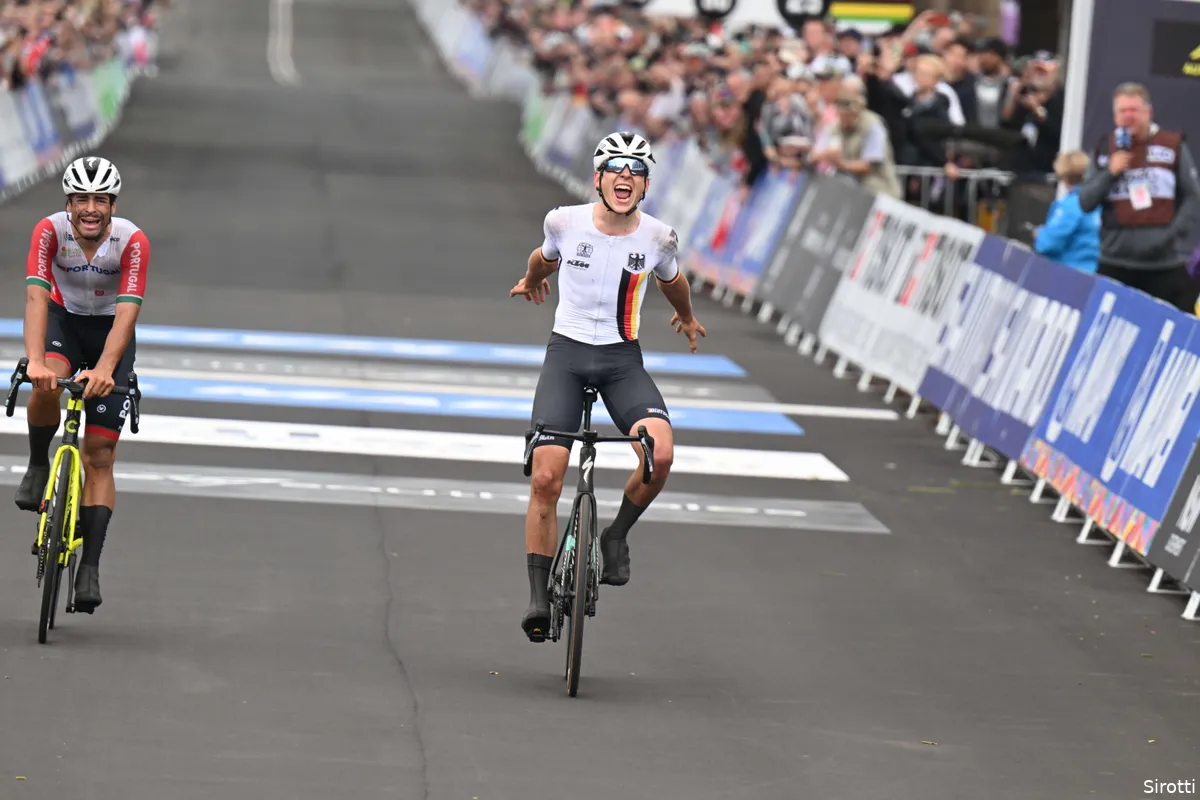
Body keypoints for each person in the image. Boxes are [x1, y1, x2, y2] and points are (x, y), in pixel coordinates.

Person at [508, 131, 706, 643]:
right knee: (547, 479)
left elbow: (673, 280)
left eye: (637, 170)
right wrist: (531, 281)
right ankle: (536, 596)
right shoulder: (564, 221)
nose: (626, 176)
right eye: (616, 167)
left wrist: (686, 316)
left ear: (645, 185)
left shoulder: (659, 237)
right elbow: (542, 257)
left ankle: (614, 535)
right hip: (567, 357)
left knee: (659, 454)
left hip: (621, 361)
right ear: (598, 178)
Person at [17, 156, 149, 613]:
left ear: (112, 205)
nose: (90, 208)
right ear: (68, 203)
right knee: (46, 383)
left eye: (100, 200)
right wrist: (36, 360)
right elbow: (36, 297)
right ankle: (37, 465)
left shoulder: (131, 241)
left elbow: (128, 311)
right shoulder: (49, 231)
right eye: (81, 199)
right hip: (63, 324)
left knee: (100, 454)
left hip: (112, 330)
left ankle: (89, 567)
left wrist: (108, 369)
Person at [1078, 83, 1200, 312]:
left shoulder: (1172, 145)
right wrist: (1110, 173)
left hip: (1163, 267)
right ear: (1115, 116)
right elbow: (1085, 202)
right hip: (1114, 264)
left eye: (1134, 110)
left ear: (1148, 113)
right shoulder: (1104, 148)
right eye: (1122, 111)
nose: (1128, 117)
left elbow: (1193, 198)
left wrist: (1169, 236)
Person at [1033, 150, 1100, 273]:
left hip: (1069, 273)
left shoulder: (1069, 205)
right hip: (1094, 272)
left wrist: (1039, 234)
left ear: (1064, 176)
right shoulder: (1099, 203)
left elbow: (1049, 243)